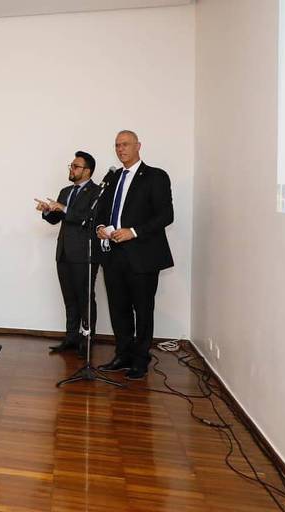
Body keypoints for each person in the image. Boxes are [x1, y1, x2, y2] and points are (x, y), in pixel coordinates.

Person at [94, 130, 174, 380]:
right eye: (117, 145)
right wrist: (100, 228)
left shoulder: (155, 176)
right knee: (119, 308)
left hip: (143, 255)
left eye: (125, 144)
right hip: (113, 255)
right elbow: (103, 212)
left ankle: (140, 359)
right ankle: (123, 355)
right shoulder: (113, 178)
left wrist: (134, 232)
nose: (121, 149)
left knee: (143, 309)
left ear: (138, 146)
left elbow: (165, 215)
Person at [36, 151, 100, 358]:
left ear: (87, 171)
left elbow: (89, 218)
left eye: (75, 166)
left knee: (85, 298)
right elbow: (57, 219)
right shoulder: (65, 191)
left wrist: (63, 208)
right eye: (71, 166)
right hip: (63, 251)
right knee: (69, 298)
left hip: (84, 254)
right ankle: (71, 337)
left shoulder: (97, 192)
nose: (71, 170)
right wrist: (47, 210)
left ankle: (87, 340)